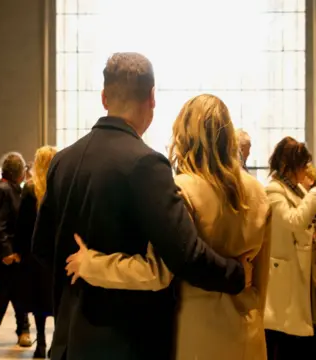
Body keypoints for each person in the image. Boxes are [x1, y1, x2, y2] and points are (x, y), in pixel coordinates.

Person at [31, 52, 246, 359]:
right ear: (152, 98)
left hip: (68, 341)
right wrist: (237, 274)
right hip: (126, 343)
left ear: (104, 97)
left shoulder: (61, 161)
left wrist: (81, 277)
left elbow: (41, 248)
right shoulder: (146, 163)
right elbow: (184, 254)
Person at [64, 94, 271, 359]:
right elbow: (262, 279)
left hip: (197, 334)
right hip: (249, 332)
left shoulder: (182, 190)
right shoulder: (258, 192)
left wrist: (91, 264)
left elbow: (157, 272)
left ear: (184, 134)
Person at [263, 137, 316, 360]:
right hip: (284, 274)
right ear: (287, 166)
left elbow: (303, 223)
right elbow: (293, 221)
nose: (305, 170)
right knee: (285, 338)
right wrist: (314, 195)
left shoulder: (294, 190)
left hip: (301, 271)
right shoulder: (274, 191)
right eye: (301, 165)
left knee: (300, 340)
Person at [0, 152, 32, 348]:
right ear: (18, 172)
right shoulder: (3, 191)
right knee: (1, 296)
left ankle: (23, 330)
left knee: (21, 294)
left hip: (16, 254)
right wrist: (6, 252)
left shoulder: (14, 190)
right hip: (5, 256)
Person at [15, 145, 57, 358]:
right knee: (56, 300)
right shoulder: (63, 187)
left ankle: (40, 342)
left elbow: (21, 225)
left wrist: (19, 252)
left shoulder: (30, 189)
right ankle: (57, 343)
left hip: (34, 256)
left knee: (38, 302)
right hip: (57, 254)